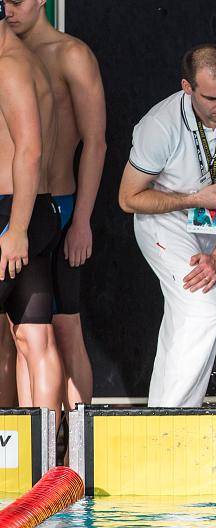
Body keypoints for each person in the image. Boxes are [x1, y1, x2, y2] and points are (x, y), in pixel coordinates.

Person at [118, 43, 216, 407]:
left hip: (210, 222)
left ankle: (166, 413)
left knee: (184, 322)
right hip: (163, 220)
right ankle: (171, 424)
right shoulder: (160, 125)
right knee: (206, 309)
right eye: (212, 97)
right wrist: (193, 199)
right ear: (188, 88)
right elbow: (128, 199)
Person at [4, 0, 106, 413]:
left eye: (18, 1)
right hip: (22, 208)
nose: (10, 9)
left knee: (65, 327)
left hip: (56, 207)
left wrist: (81, 218)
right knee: (24, 333)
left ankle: (72, 445)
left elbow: (95, 142)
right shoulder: (15, 57)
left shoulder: (70, 55)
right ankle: (31, 445)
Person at [0, 0, 65, 423]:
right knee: (33, 336)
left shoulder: (10, 66)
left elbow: (30, 149)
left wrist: (16, 228)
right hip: (30, 211)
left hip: (13, 215)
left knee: (35, 340)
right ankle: (39, 460)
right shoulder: (23, 60)